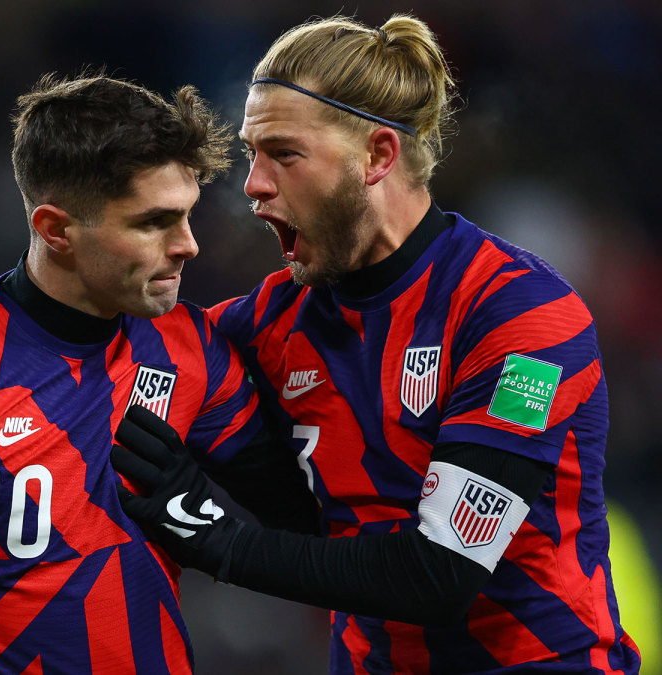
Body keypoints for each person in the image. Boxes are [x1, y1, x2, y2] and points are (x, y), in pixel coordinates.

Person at [110, 13, 642, 673]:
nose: (253, 185)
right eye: (252, 154)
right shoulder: (269, 323)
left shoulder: (521, 316)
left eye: (284, 154)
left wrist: (216, 537)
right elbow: (88, 360)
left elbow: (440, 572)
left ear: (378, 156)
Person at [0, 72, 318, 675]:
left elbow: (307, 520)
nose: (188, 245)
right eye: (153, 222)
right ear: (55, 230)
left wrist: (207, 518)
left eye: (187, 216)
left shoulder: (190, 347)